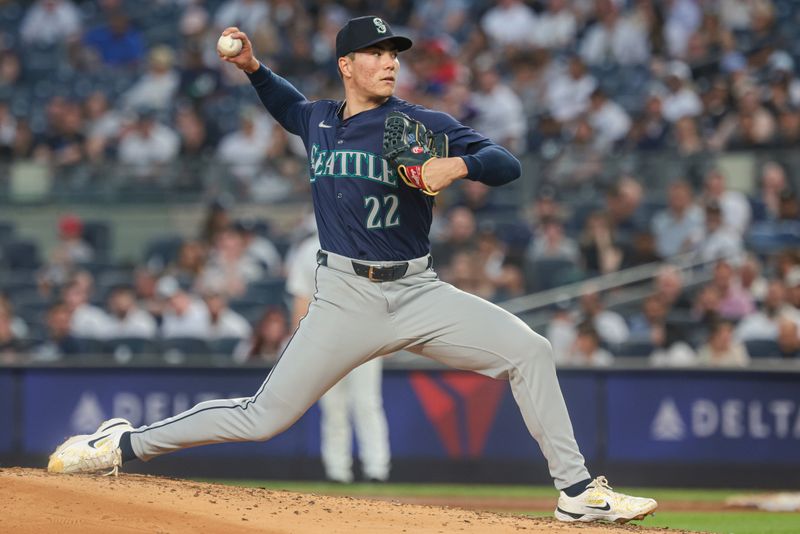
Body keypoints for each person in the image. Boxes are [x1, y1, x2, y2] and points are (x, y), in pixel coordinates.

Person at [48, 17, 656, 524]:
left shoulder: (416, 123)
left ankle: (577, 495)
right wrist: (254, 68)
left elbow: (506, 163)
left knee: (531, 351)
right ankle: (122, 443)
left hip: (419, 291)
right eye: (375, 53)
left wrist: (462, 168)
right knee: (263, 418)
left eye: (394, 53)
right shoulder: (318, 121)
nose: (390, 62)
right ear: (346, 64)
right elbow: (288, 106)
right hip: (343, 295)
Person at [287, 226, 390, 483]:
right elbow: (301, 298)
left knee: (366, 403)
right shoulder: (309, 249)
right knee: (334, 407)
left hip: (365, 335)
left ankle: (376, 468)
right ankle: (337, 470)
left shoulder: (365, 240)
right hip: (325, 339)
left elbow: (383, 293)